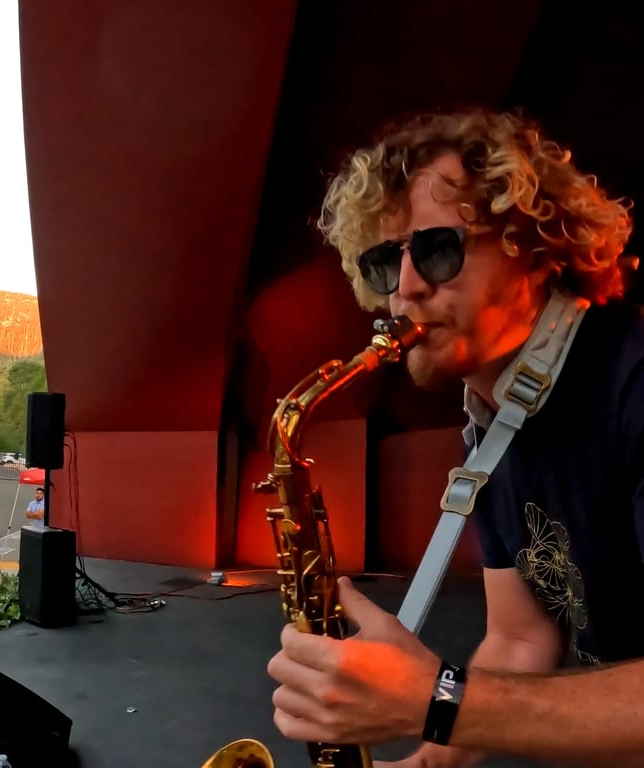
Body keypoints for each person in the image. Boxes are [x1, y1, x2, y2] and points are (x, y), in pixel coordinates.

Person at [266, 108, 643, 767]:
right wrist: (422, 764)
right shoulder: (496, 418)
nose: (406, 289)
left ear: (536, 251)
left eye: (437, 249)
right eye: (384, 263)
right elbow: (521, 640)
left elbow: (457, 695)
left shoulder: (633, 385)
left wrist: (437, 702)